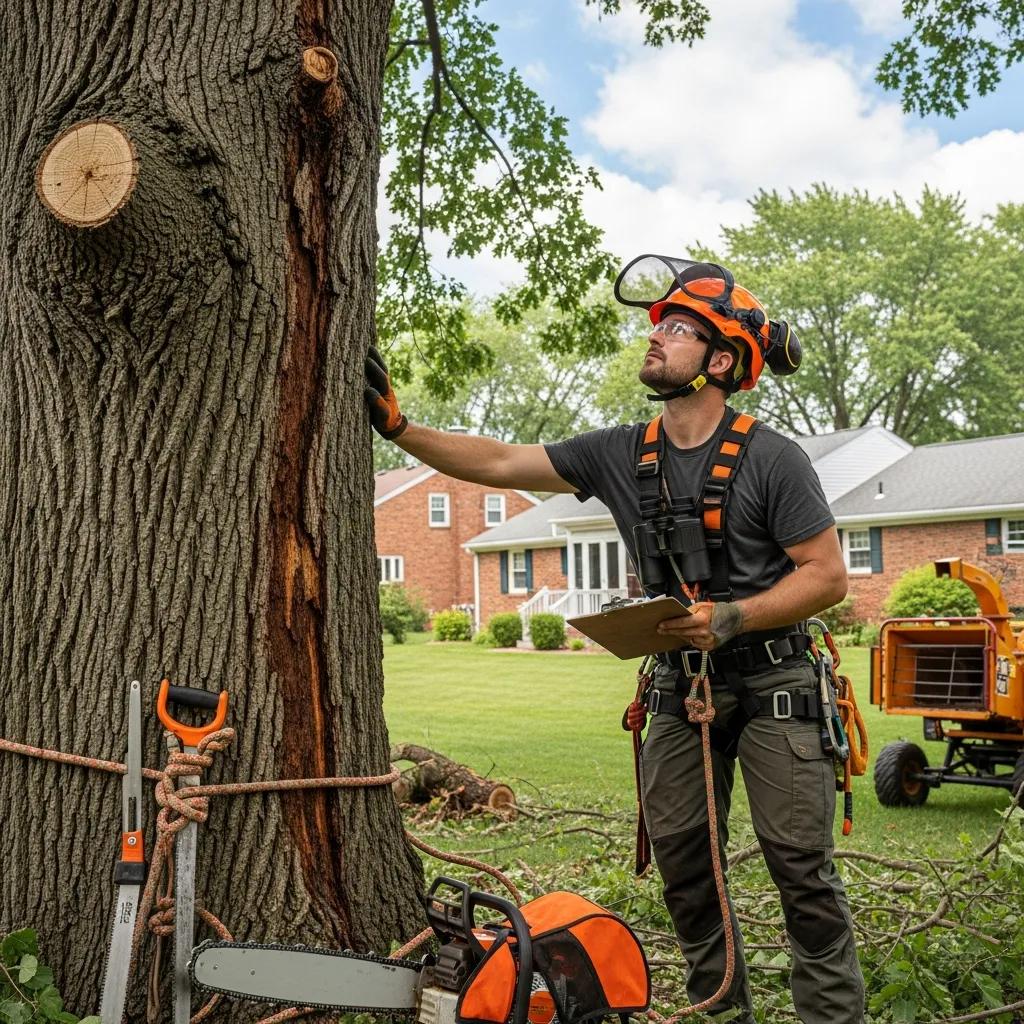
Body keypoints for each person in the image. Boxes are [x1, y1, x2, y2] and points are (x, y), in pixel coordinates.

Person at [365, 256, 866, 1024]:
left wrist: (729, 617)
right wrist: (400, 428)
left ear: (721, 361)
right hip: (676, 689)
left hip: (775, 686)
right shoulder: (620, 453)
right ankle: (719, 1011)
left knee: (800, 869)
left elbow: (826, 576)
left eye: (678, 329)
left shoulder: (774, 460)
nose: (655, 337)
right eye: (656, 323)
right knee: (685, 867)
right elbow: (501, 460)